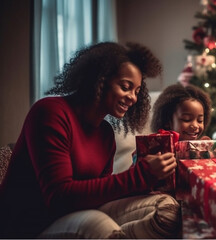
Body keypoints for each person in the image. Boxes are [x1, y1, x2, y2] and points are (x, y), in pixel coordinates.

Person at [0, 42, 181, 238]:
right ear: (99, 80)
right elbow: (59, 197)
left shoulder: (105, 133)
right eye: (126, 87)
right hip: (29, 226)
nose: (133, 98)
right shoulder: (50, 112)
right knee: (98, 225)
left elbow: (99, 194)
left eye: (137, 91)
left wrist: (147, 177)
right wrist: (138, 176)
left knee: (166, 208)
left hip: (76, 214)